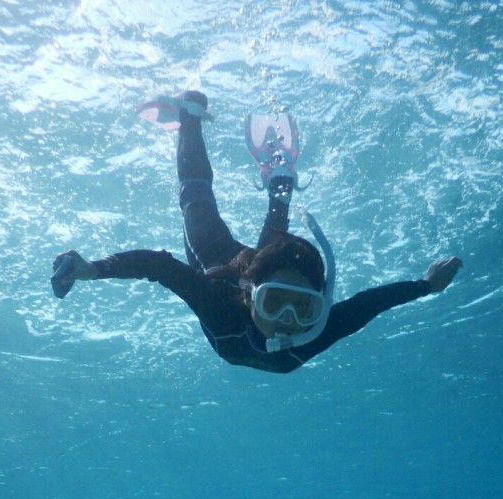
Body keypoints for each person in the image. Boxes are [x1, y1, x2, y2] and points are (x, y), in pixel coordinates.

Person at [51, 91, 462, 374]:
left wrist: (427, 287)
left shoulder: (309, 330)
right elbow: (157, 266)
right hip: (221, 264)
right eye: (277, 303)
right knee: (205, 205)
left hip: (222, 264)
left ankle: (248, 160)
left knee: (204, 205)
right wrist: (424, 287)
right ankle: (212, 132)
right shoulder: (225, 303)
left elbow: (367, 306)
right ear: (250, 294)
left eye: (302, 309)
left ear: (319, 307)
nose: (286, 322)